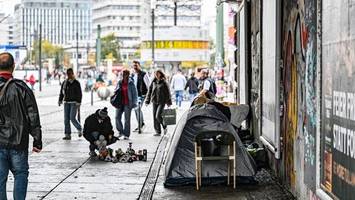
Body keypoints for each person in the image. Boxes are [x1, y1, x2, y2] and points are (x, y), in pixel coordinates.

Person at [0, 52, 42, 200]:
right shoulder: (21, 87)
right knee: (20, 174)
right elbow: (33, 115)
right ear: (13, 67)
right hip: (18, 142)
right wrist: (37, 140)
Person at [145, 69, 172, 136]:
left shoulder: (164, 82)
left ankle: (164, 126)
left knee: (158, 116)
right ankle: (158, 131)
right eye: (155, 73)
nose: (156, 75)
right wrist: (147, 100)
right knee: (154, 117)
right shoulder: (153, 82)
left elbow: (168, 92)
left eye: (158, 73)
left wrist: (169, 102)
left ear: (161, 74)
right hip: (154, 101)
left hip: (162, 101)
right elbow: (149, 91)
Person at [58, 68, 83, 140]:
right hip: (66, 102)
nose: (69, 75)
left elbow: (79, 93)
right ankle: (67, 134)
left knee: (72, 118)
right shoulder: (65, 82)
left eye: (70, 73)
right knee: (66, 119)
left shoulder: (76, 83)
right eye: (68, 74)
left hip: (74, 102)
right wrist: (60, 100)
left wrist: (79, 102)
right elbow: (61, 92)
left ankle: (79, 128)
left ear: (72, 74)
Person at [114, 69, 138, 140]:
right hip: (120, 103)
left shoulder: (131, 83)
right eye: (123, 74)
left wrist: (134, 103)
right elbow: (116, 90)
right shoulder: (120, 82)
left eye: (125, 74)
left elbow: (135, 94)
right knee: (117, 117)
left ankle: (126, 134)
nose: (124, 75)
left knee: (127, 119)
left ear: (128, 74)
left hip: (128, 103)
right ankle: (120, 131)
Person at [131, 61, 150, 132]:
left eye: (136, 65)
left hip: (142, 95)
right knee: (136, 110)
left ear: (139, 66)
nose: (135, 67)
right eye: (134, 66)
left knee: (137, 109)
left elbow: (148, 85)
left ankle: (142, 124)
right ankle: (139, 125)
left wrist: (148, 96)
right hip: (135, 95)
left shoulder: (144, 74)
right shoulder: (133, 75)